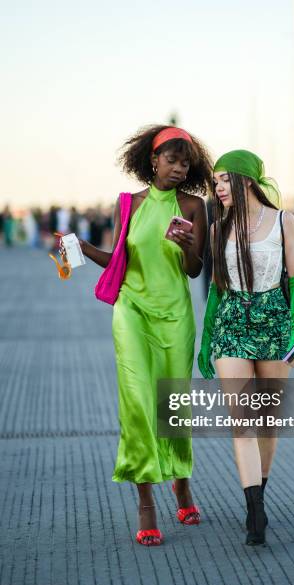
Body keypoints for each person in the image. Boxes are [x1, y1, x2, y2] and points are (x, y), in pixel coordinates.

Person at [77, 125, 212, 545]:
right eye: (171, 160)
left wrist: (188, 242)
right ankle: (146, 502)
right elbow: (118, 262)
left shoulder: (194, 205)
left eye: (184, 161)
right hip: (131, 313)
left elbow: (194, 269)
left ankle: (181, 483)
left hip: (174, 316)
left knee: (172, 407)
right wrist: (80, 249)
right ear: (152, 161)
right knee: (138, 403)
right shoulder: (128, 205)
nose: (178, 168)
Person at [198, 150, 294, 545]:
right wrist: (207, 337)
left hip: (275, 324)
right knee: (242, 420)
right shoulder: (218, 228)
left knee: (267, 420)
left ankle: (259, 490)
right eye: (216, 183)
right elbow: (217, 287)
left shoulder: (284, 221)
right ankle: (254, 510)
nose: (218, 189)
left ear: (246, 179)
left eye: (224, 180)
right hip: (232, 324)